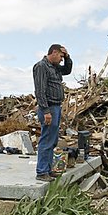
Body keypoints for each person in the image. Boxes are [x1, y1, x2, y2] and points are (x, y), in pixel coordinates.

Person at [32, 44, 72, 182]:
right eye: (60, 56)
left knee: (52, 140)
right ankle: (42, 172)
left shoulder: (54, 67)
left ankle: (48, 170)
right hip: (48, 108)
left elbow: (67, 70)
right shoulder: (41, 66)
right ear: (54, 52)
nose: (61, 60)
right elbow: (40, 91)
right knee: (47, 139)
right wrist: (46, 111)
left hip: (56, 107)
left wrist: (67, 57)